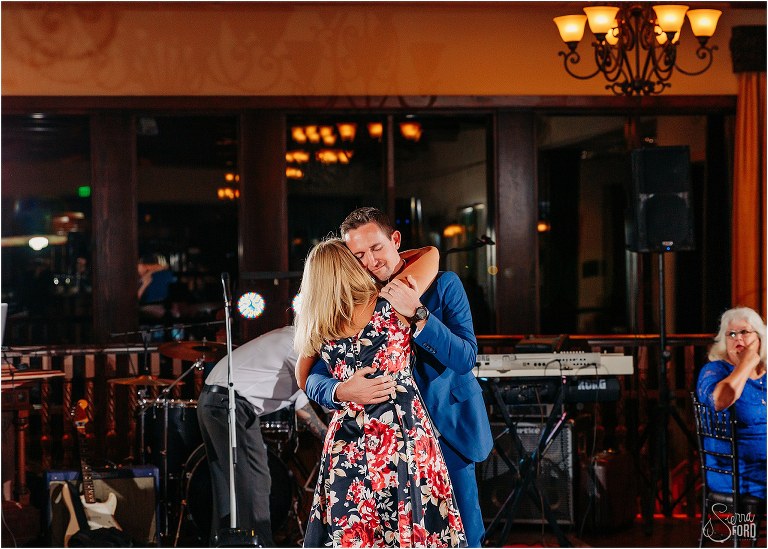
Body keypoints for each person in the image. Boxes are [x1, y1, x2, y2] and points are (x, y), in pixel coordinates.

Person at [304, 207, 493, 547]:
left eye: (376, 248)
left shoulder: (443, 284)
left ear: (395, 240)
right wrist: (342, 389)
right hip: (381, 443)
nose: (370, 261)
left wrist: (420, 316)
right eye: (358, 255)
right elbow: (314, 376)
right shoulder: (350, 304)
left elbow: (465, 358)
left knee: (460, 534)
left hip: (446, 428)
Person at [197, 325, 327, 546]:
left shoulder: (294, 338)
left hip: (215, 402)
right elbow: (322, 394)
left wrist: (326, 435)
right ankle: (260, 544)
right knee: (256, 480)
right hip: (230, 403)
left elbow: (300, 404)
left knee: (229, 486)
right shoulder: (300, 342)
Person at [696, 306, 767, 499]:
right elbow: (719, 401)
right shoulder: (715, 371)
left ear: (760, 338)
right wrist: (746, 363)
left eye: (744, 332)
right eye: (731, 334)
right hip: (733, 471)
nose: (737, 338)